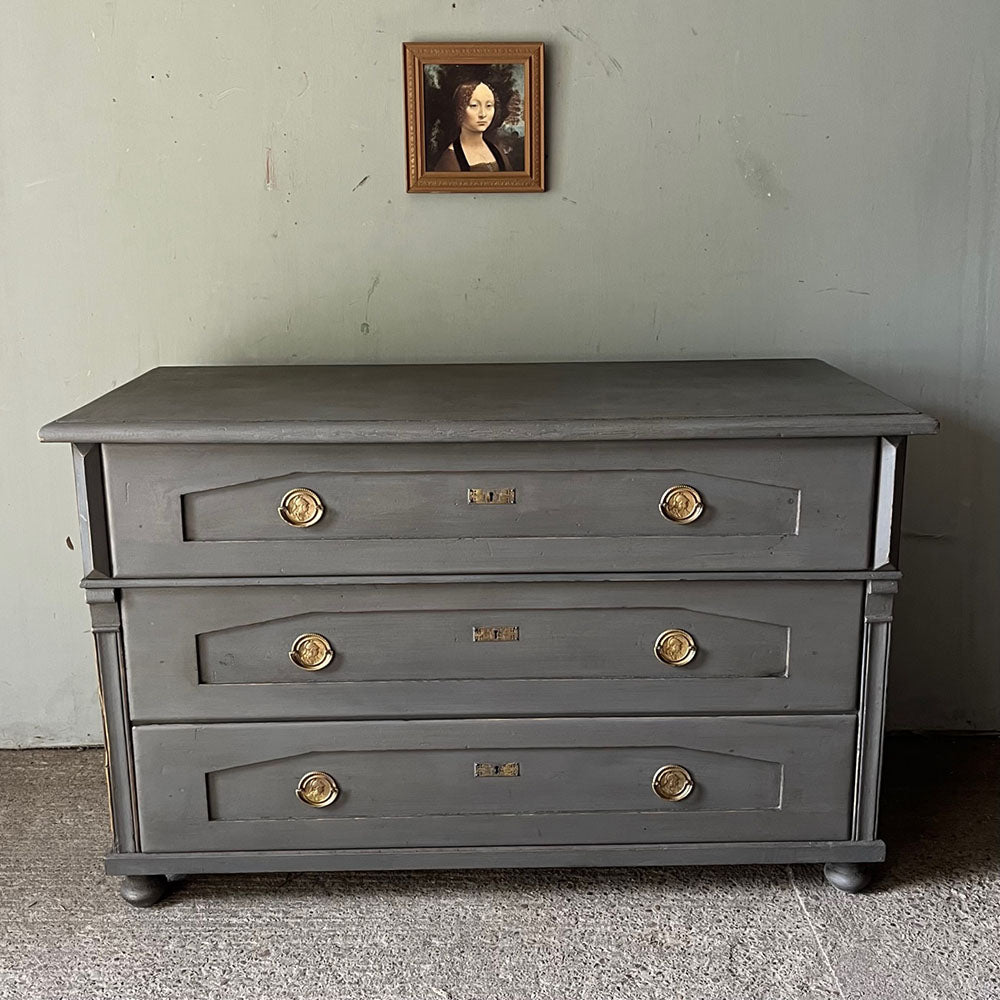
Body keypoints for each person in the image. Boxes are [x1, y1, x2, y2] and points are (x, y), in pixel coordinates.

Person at [432, 81, 511, 172]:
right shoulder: (450, 159)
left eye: (489, 105)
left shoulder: (497, 152)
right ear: (460, 109)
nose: (483, 114)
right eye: (474, 105)